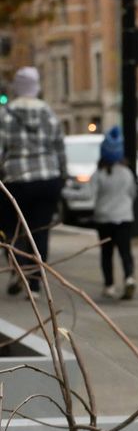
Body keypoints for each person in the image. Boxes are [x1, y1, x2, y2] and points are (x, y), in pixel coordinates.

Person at [0, 65, 67, 295]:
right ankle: (37, 284)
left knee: (13, 230)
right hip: (47, 179)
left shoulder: (5, 114)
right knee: (40, 231)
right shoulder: (48, 112)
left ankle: (18, 271)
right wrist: (61, 176)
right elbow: (59, 147)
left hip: (16, 180)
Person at [91, 126, 137, 300]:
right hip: (124, 217)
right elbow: (132, 193)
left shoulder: (99, 174)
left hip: (104, 219)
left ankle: (109, 285)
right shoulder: (127, 173)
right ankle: (129, 277)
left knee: (106, 254)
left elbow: (90, 193)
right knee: (125, 252)